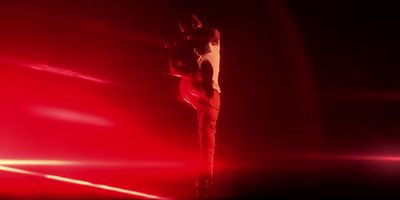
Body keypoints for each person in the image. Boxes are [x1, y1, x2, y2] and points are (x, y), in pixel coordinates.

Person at [166, 14, 221, 198]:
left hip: (210, 97)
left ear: (197, 25)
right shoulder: (198, 53)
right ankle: (205, 179)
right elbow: (173, 70)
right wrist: (174, 51)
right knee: (186, 77)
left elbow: (211, 32)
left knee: (206, 140)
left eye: (190, 29)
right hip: (203, 94)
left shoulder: (213, 38)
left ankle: (206, 179)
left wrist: (185, 37)